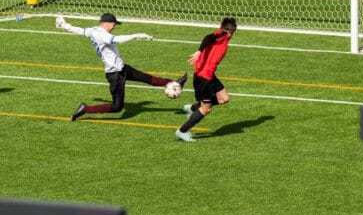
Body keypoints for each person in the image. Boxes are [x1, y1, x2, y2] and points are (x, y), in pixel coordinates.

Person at [56, 13, 187, 120]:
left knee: (148, 79)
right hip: (115, 74)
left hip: (122, 68)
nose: (114, 27)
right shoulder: (102, 34)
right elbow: (117, 39)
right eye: (113, 24)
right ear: (106, 23)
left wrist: (64, 25)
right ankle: (85, 109)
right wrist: (135, 35)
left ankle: (174, 82)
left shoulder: (93, 30)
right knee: (117, 107)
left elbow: (80, 30)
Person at [176, 17, 237, 142]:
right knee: (206, 109)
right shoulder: (223, 35)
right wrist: (199, 51)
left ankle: (192, 108)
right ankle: (182, 131)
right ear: (233, 31)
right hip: (204, 79)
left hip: (209, 75)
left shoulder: (221, 37)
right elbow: (208, 37)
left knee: (224, 98)